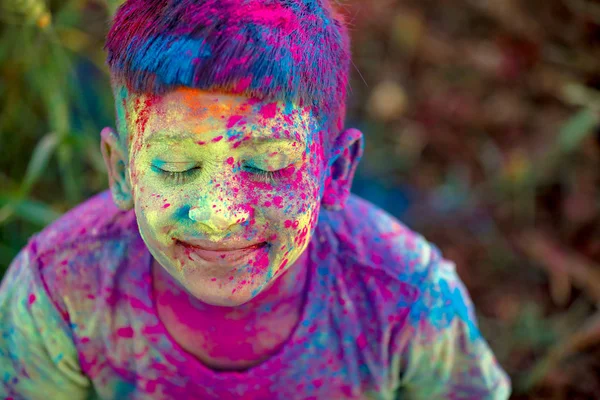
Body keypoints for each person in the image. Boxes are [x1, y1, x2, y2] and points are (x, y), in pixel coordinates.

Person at [0, 0, 511, 398]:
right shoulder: (59, 291)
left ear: (335, 170)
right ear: (121, 172)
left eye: (266, 165)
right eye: (175, 167)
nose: (220, 214)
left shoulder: (407, 300)